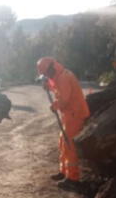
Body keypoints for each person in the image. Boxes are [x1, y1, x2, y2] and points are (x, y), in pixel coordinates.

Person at [36, 57, 90, 190]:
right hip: (69, 114)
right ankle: (64, 172)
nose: (47, 76)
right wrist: (47, 85)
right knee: (63, 142)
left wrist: (55, 105)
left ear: (51, 68)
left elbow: (64, 99)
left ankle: (73, 178)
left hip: (75, 114)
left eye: (47, 73)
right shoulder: (58, 75)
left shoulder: (64, 77)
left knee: (69, 145)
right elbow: (55, 85)